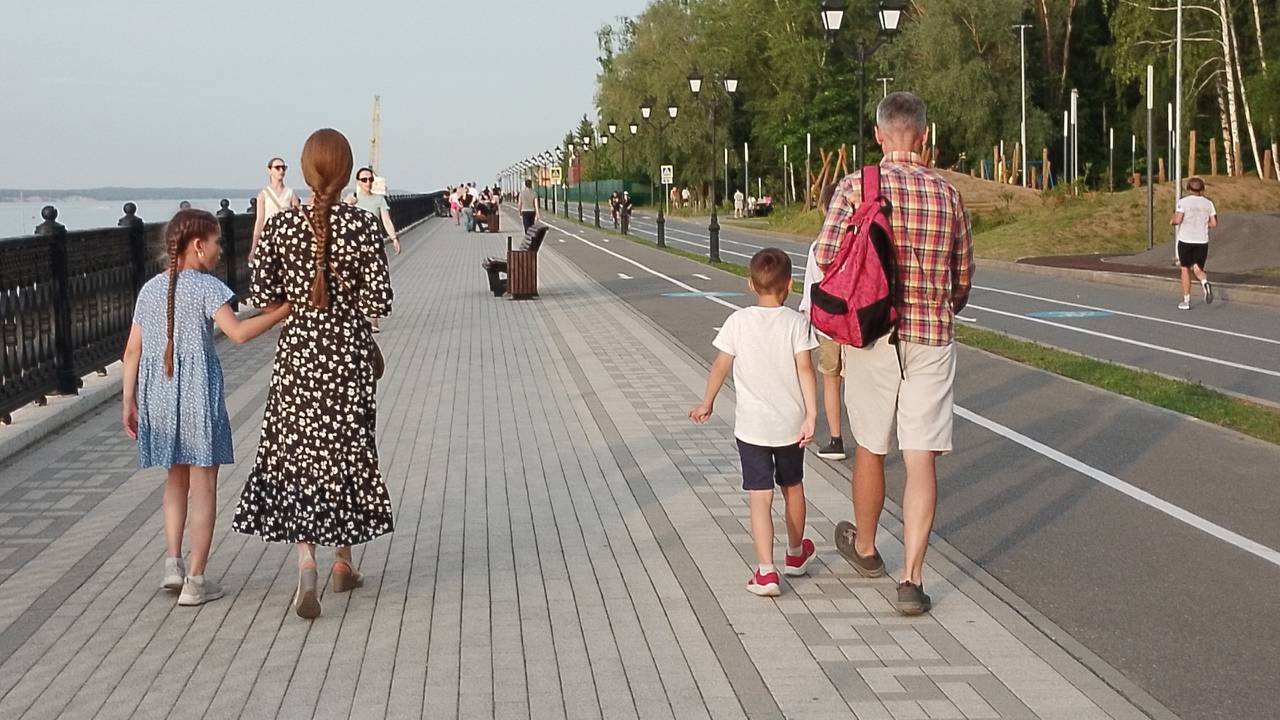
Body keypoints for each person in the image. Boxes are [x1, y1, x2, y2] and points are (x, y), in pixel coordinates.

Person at [814, 92, 973, 616]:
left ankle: (865, 547)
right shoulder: (948, 194)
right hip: (932, 336)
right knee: (921, 456)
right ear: (924, 136)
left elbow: (827, 257)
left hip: (873, 334)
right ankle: (911, 580)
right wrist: (940, 305)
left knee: (871, 446)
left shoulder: (856, 186)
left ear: (879, 135)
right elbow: (962, 278)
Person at [231, 129, 395, 620]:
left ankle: (307, 563)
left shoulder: (282, 227)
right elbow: (379, 300)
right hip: (347, 357)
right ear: (346, 173)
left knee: (298, 456)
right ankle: (344, 561)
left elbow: (262, 296)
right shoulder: (362, 226)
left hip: (298, 358)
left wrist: (300, 302)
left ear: (304, 171)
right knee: (346, 451)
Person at [121, 209, 291, 607]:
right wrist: (282, 312)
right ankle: (196, 580)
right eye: (217, 242)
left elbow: (131, 351)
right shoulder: (206, 287)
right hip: (197, 393)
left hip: (158, 395)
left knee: (175, 479)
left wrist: (128, 400)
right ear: (198, 246)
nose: (220, 249)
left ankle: (173, 564)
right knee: (204, 485)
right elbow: (238, 333)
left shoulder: (150, 290)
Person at [689, 248, 819, 597]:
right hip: (790, 425)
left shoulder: (738, 321)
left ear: (750, 284)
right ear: (790, 285)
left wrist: (707, 402)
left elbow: (720, 365)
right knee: (793, 486)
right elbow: (806, 370)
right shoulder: (797, 324)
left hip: (752, 428)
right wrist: (811, 415)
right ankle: (795, 554)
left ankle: (766, 571)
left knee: (760, 497)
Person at [799, 183, 848, 461]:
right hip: (858, 324)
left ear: (823, 209)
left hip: (829, 325)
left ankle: (836, 439)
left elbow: (810, 293)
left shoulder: (819, 246)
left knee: (831, 381)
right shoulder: (857, 241)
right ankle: (869, 440)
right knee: (859, 382)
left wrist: (807, 326)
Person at [1172, 176, 1216, 310]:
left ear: (1188, 188)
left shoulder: (1183, 202)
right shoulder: (1208, 203)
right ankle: (1204, 282)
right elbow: (1214, 223)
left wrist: (1172, 221)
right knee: (1198, 268)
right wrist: (1204, 224)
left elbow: (1178, 220)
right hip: (1202, 240)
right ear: (1202, 189)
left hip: (1186, 240)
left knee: (1185, 269)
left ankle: (1186, 300)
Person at [250, 157, 300, 263]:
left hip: (287, 239)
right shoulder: (263, 195)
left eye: (283, 168)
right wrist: (254, 247)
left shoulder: (290, 193)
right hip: (269, 239)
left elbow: (298, 218)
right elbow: (260, 221)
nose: (281, 171)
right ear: (270, 171)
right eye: (277, 168)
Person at [345, 167, 401, 256]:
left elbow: (386, 221)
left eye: (371, 179)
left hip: (374, 242)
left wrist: (394, 238)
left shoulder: (379, 199)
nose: (368, 182)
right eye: (364, 180)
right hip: (355, 243)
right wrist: (346, 204)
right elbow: (342, 219)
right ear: (358, 182)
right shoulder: (352, 198)